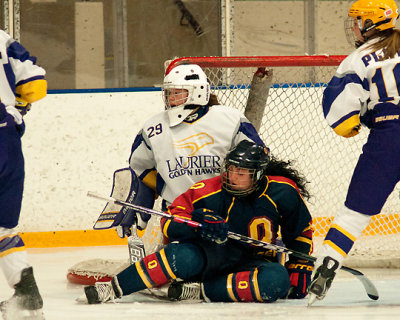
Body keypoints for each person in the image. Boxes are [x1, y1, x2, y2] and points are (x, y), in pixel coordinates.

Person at [81, 140, 314, 304]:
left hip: (252, 263)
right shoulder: (207, 190)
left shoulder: (283, 192)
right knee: (178, 256)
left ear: (258, 175)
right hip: (209, 255)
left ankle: (199, 292)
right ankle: (112, 288)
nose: (232, 177)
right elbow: (170, 223)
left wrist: (301, 266)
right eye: (230, 169)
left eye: (240, 173)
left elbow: (300, 232)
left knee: (276, 280)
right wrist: (197, 224)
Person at [308, 0, 400, 305]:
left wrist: (361, 118)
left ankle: (327, 265)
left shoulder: (358, 58)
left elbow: (342, 119)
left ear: (369, 24)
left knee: (355, 212)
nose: (353, 27)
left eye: (357, 21)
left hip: (388, 138)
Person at [115, 63, 264, 236]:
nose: (170, 98)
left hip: (227, 211)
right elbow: (139, 166)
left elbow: (258, 158)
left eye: (177, 92)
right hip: (179, 214)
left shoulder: (229, 119)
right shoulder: (153, 128)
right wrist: (157, 190)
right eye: (169, 93)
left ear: (198, 91)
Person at [0, 30, 47, 318]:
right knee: (4, 227)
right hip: (7, 141)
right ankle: (26, 291)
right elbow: (35, 85)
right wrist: (15, 102)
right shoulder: (1, 37)